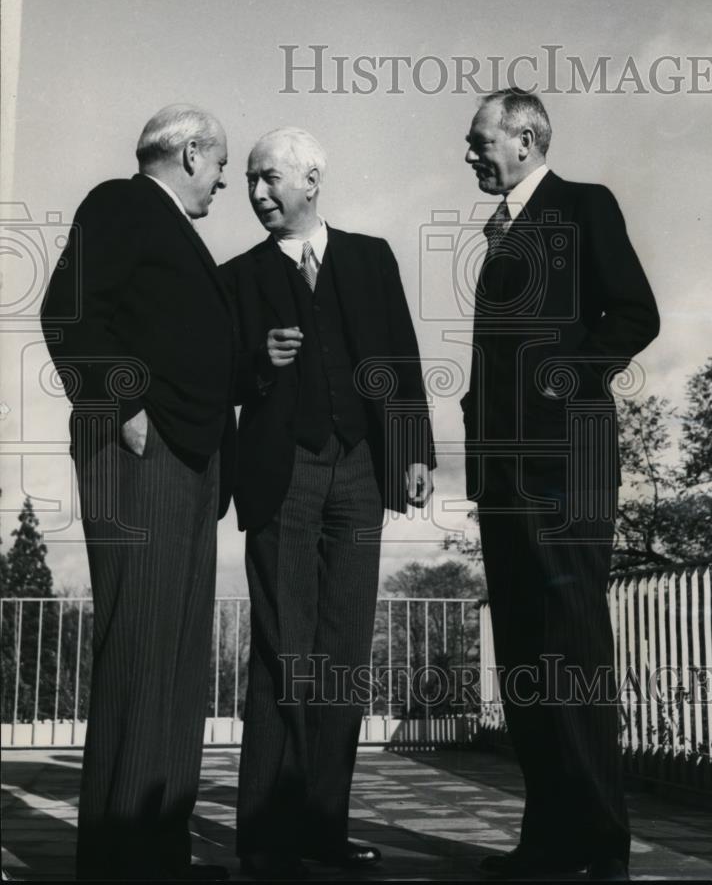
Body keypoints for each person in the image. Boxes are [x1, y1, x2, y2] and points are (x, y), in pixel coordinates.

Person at [221, 127, 435, 879]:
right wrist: (257, 365)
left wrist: (411, 455)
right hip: (282, 476)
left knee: (342, 654)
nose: (256, 194)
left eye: (269, 179)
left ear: (312, 181)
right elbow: (219, 381)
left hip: (361, 476)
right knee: (286, 649)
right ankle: (263, 835)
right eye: (248, 180)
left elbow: (401, 358)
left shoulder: (371, 257)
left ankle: (320, 826)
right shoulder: (237, 276)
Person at [461, 90, 659, 882]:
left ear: (524, 137)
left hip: (564, 466)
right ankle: (549, 840)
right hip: (505, 478)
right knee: (522, 657)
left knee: (572, 649)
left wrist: (559, 380)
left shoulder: (583, 206)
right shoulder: (501, 230)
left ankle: (601, 847)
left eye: (479, 140)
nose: (469, 154)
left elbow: (634, 313)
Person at [40, 105, 236, 881]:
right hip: (141, 455)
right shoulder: (120, 203)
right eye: (219, 166)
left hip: (189, 459)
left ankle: (160, 851)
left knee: (179, 658)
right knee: (141, 649)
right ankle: (123, 860)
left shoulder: (175, 230)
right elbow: (67, 311)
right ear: (192, 152)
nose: (223, 183)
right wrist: (121, 405)